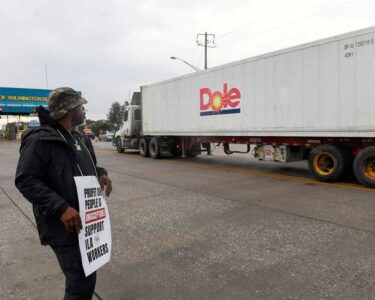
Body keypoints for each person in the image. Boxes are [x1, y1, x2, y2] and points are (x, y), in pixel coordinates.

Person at [15, 87, 112, 300]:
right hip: (63, 226)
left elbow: (92, 167)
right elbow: (26, 180)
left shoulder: (79, 138)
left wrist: (101, 175)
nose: (84, 110)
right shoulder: (41, 140)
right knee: (79, 283)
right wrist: (61, 208)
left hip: (86, 222)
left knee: (87, 277)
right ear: (68, 110)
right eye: (80, 106)